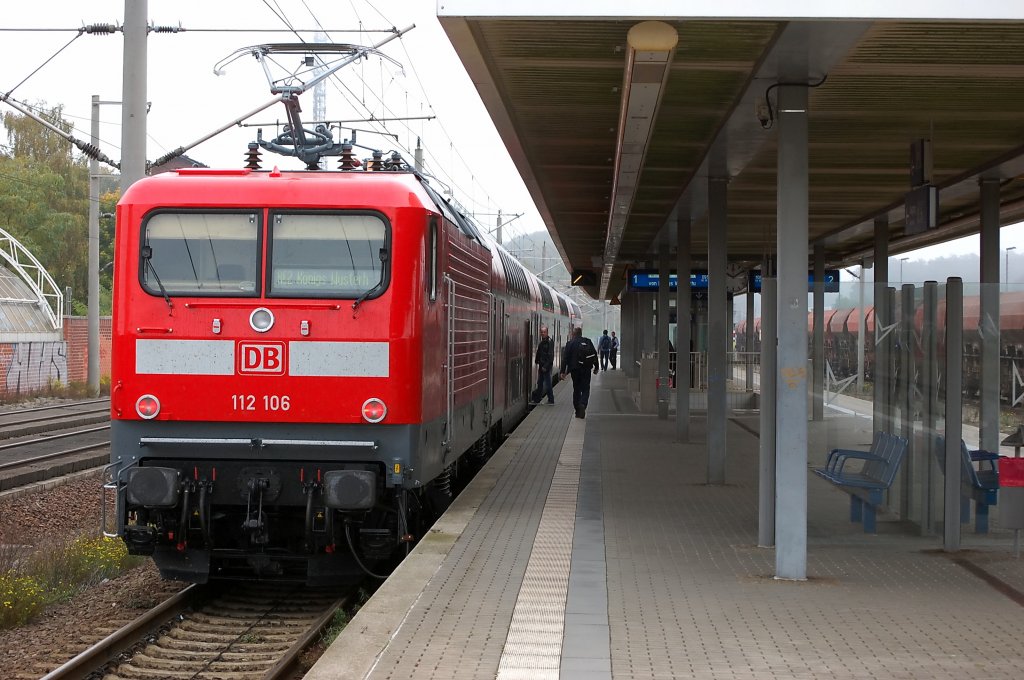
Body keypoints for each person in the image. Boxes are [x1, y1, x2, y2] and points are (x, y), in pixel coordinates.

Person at [560, 327, 599, 419]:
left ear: (573, 334)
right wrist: (596, 367)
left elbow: (565, 358)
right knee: (585, 388)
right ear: (581, 334)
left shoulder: (570, 344)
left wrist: (562, 372)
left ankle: (578, 410)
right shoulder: (588, 341)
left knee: (576, 389)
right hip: (586, 369)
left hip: (575, 370)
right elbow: (594, 354)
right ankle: (583, 404)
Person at [531, 325, 555, 405]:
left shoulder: (549, 342)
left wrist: (545, 366)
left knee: (547, 383)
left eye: (544, 332)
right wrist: (536, 360)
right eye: (541, 332)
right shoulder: (542, 342)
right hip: (542, 365)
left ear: (547, 332)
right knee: (540, 383)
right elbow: (539, 352)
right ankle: (537, 399)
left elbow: (550, 356)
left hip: (546, 367)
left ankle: (551, 399)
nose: (543, 333)